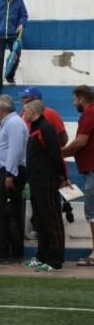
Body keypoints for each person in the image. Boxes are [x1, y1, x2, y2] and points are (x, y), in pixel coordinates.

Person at [22, 100, 66, 272]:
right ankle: (42, 256)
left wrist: (62, 176)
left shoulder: (46, 128)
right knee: (40, 221)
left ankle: (55, 260)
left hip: (46, 181)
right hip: (36, 181)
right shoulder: (35, 128)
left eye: (25, 111)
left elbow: (55, 155)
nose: (23, 114)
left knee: (51, 220)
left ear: (33, 111)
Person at [0, 94, 29, 264]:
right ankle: (13, 252)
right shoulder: (9, 123)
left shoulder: (14, 123)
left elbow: (15, 150)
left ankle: (6, 252)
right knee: (8, 212)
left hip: (10, 173)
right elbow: (5, 145)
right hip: (7, 172)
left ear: (2, 109)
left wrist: (10, 174)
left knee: (5, 212)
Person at [62, 85, 94, 266]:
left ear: (82, 98)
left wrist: (59, 154)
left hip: (92, 171)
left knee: (92, 213)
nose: (74, 103)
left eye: (74, 100)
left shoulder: (89, 113)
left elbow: (80, 142)